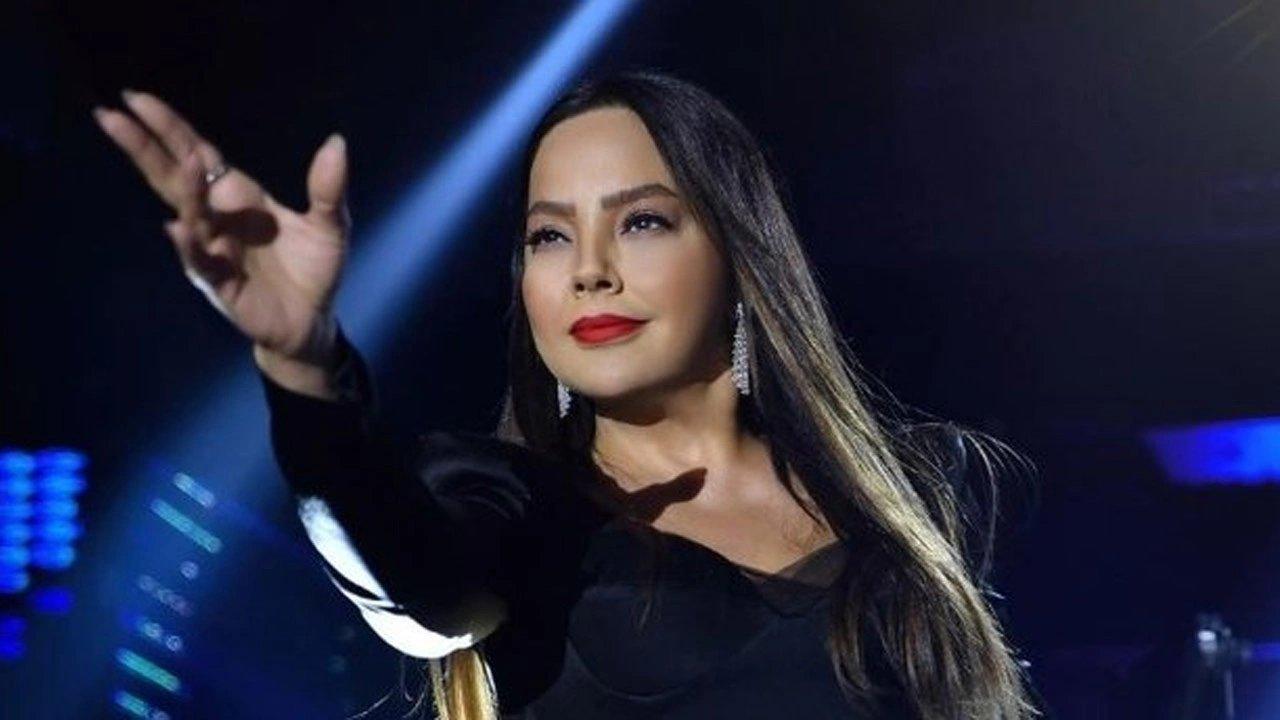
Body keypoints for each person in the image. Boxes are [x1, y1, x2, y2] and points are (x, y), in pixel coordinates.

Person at [92, 69, 1036, 719]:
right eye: (549, 236)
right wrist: (305, 366)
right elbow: (407, 580)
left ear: (741, 257)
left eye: (643, 222)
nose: (589, 269)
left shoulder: (917, 490)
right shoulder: (512, 508)